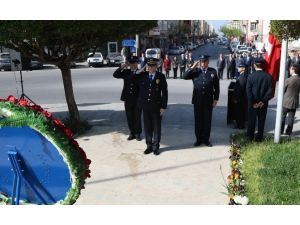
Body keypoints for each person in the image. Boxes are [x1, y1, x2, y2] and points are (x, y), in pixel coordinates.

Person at [183, 55, 220, 147]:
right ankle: (199, 139)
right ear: (199, 62)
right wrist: (192, 67)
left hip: (208, 101)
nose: (203, 63)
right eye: (201, 62)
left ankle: (206, 139)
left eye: (205, 61)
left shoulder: (213, 72)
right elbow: (184, 76)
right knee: (198, 121)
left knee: (207, 121)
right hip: (197, 100)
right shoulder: (195, 71)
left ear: (208, 62)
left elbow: (217, 87)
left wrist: (215, 99)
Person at [135, 58, 168, 155]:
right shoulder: (143, 76)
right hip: (146, 106)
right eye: (148, 66)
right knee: (147, 126)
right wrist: (142, 69)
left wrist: (163, 107)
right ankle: (149, 145)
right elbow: (133, 77)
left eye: (152, 66)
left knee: (156, 127)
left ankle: (156, 146)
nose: (150, 68)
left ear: (156, 66)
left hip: (156, 106)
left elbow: (164, 92)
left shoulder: (160, 76)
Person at [113, 56, 142, 141]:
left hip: (137, 99)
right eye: (131, 63)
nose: (133, 65)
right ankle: (132, 133)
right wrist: (122, 66)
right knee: (129, 116)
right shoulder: (126, 72)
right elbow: (115, 75)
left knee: (137, 117)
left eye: (134, 63)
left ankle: (138, 133)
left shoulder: (141, 73)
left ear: (137, 63)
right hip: (128, 98)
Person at [246, 58, 273, 142]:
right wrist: (262, 102)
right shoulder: (268, 77)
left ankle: (250, 137)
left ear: (254, 65)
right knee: (261, 121)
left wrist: (254, 102)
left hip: (253, 104)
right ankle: (259, 138)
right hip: (263, 104)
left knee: (252, 121)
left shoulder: (250, 76)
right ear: (263, 66)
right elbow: (270, 91)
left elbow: (248, 91)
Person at [281, 64, 300, 135]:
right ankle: (288, 132)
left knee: (282, 117)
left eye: (290, 69)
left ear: (293, 70)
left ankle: (280, 131)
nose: (289, 70)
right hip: (295, 101)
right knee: (291, 118)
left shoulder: (288, 80)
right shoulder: (299, 79)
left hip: (286, 101)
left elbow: (283, 90)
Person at [233, 63, 248, 129]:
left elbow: (240, 88)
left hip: (240, 99)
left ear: (243, 68)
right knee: (240, 112)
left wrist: (236, 98)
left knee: (240, 112)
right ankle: (240, 124)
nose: (238, 68)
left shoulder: (242, 77)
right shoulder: (242, 75)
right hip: (242, 98)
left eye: (240, 67)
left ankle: (240, 125)